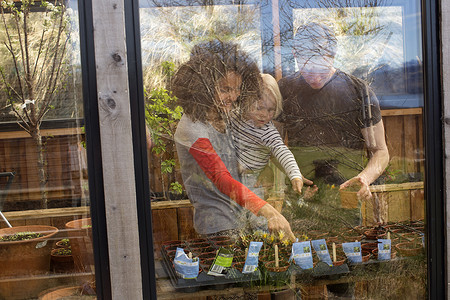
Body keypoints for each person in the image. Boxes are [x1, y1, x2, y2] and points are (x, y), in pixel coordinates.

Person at [173, 40, 295, 240]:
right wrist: (269, 211)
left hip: (244, 218)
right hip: (219, 228)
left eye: (237, 89)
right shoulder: (192, 128)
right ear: (201, 88)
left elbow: (260, 140)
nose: (234, 96)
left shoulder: (226, 114)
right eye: (225, 89)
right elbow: (222, 180)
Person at [278, 22, 389, 202]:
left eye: (320, 68)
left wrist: (365, 178)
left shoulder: (359, 92)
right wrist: (290, 175)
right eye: (307, 68)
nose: (314, 77)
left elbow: (380, 151)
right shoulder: (284, 90)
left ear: (333, 55)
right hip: (298, 194)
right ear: (295, 55)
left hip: (346, 192)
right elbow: (273, 144)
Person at [229, 73, 309, 199]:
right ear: (246, 101)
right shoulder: (234, 117)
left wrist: (295, 175)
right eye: (259, 108)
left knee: (256, 216)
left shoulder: (267, 131)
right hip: (230, 178)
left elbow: (282, 151)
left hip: (252, 180)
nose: (264, 115)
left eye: (270, 110)